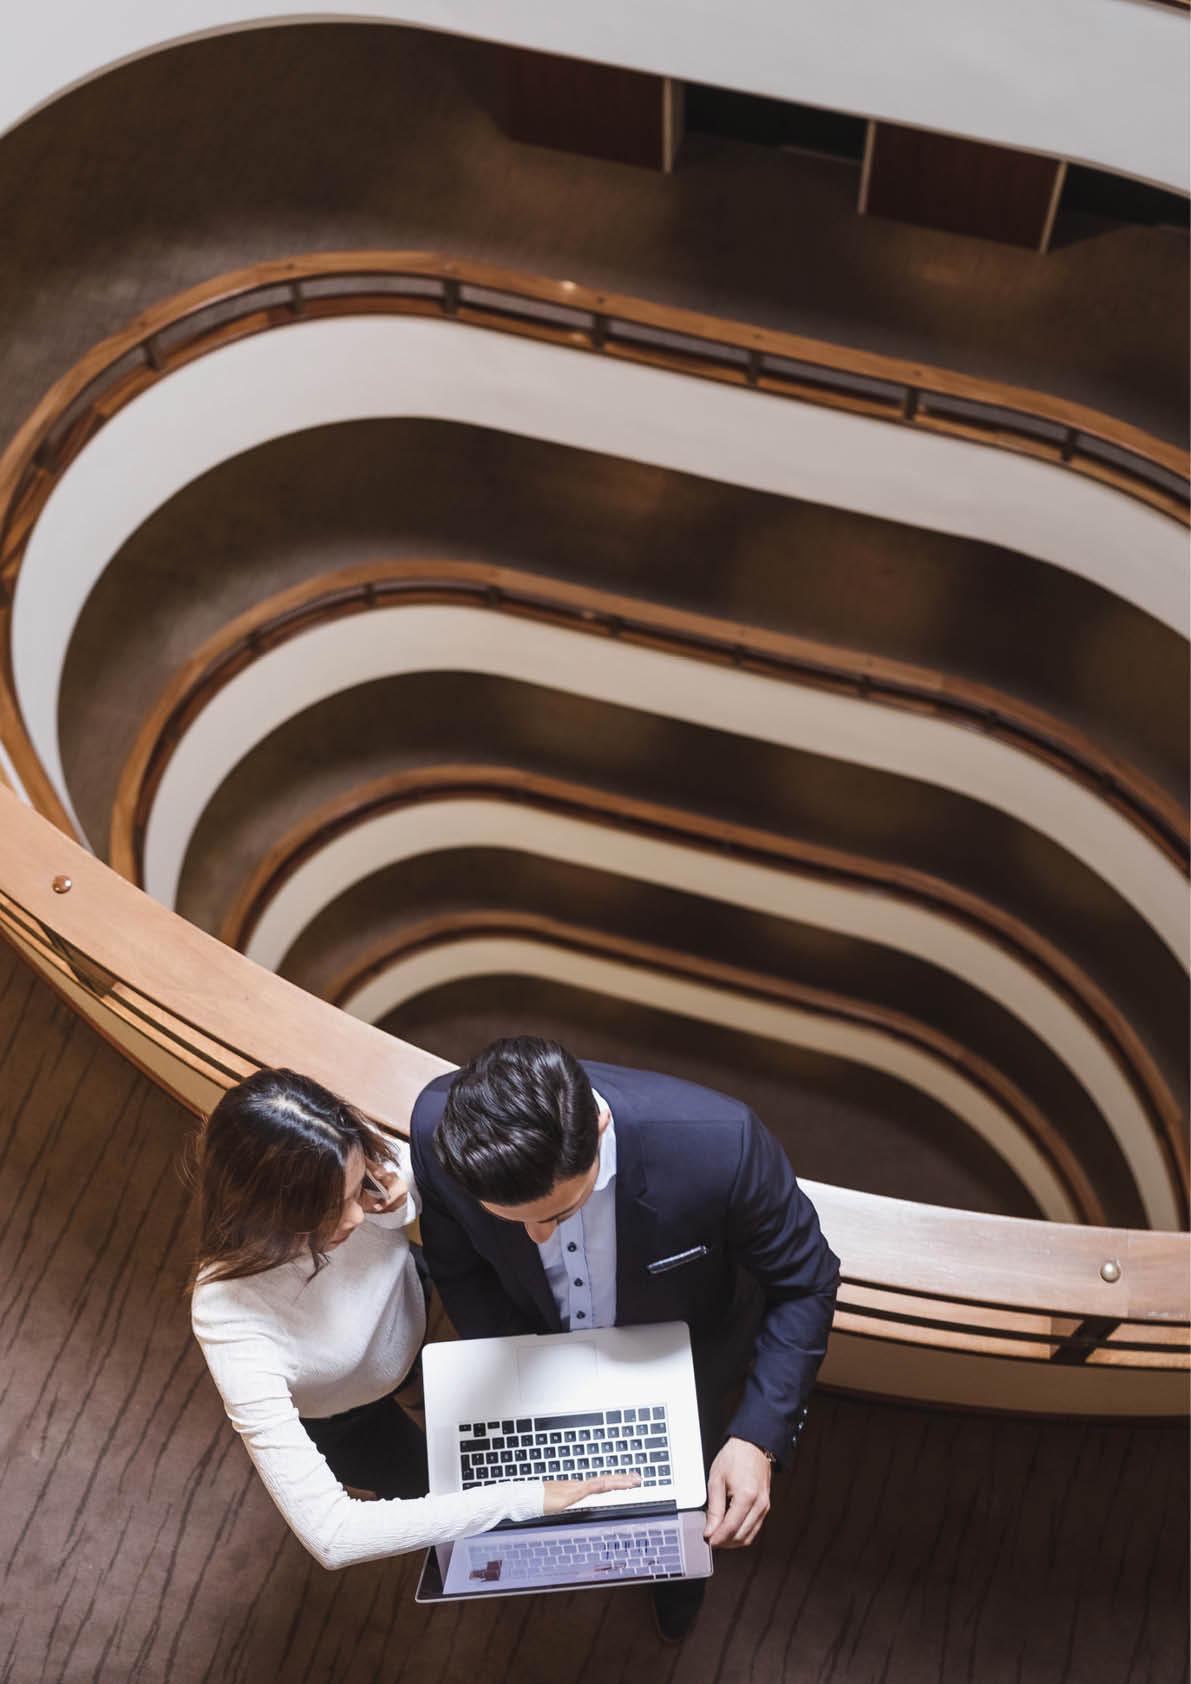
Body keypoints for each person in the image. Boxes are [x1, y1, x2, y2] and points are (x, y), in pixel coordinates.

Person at [409, 1037, 840, 1638]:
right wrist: (524, 1367)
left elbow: (807, 1282)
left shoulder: (721, 1144)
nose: (537, 1238)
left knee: (681, 1514)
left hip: (683, 1362)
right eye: (515, 1220)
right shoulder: (439, 1129)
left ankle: (677, 1588)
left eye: (558, 1214)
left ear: (601, 1123)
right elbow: (459, 1266)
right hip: (535, 1349)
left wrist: (755, 1438)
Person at [189, 1067, 638, 1570]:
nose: (357, 1218)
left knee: (449, 1404)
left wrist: (405, 1190)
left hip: (413, 1325)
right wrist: (522, 1499)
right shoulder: (226, 1316)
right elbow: (333, 1535)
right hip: (344, 1415)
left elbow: (425, 1170)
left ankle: (418, 1391)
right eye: (328, 1212)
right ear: (267, 1216)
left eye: (357, 1189)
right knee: (426, 1484)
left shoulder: (360, 1172)